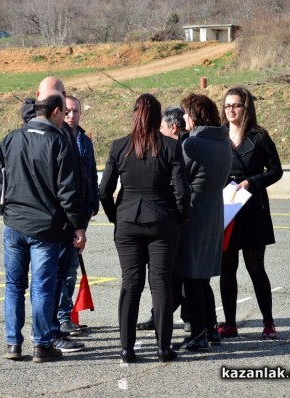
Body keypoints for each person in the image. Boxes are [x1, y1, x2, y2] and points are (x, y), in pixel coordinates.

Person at [0, 90, 88, 363]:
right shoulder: (59, 142)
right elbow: (68, 192)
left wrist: (4, 209)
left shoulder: (12, 138)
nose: (67, 118)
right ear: (56, 112)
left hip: (14, 224)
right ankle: (42, 343)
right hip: (45, 229)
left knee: (14, 285)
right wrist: (78, 226)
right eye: (64, 113)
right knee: (42, 287)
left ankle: (13, 343)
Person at [99, 93, 190, 363]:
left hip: (127, 221)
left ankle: (126, 349)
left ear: (134, 114)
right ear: (158, 117)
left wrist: (116, 217)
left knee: (131, 284)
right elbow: (182, 193)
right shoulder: (171, 147)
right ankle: (163, 348)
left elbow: (104, 191)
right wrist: (179, 218)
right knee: (161, 284)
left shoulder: (119, 147)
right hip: (162, 220)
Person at [22, 77, 92, 353]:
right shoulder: (36, 129)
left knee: (59, 277)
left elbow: (82, 179)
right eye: (64, 106)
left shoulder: (77, 137)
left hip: (64, 219)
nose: (68, 113)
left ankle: (50, 330)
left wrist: (86, 213)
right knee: (42, 281)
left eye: (73, 108)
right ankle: (45, 335)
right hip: (47, 221)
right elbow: (62, 184)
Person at [218, 86, 283, 340]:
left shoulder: (259, 136)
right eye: (227, 106)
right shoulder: (219, 136)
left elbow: (276, 170)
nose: (231, 110)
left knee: (256, 268)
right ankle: (230, 323)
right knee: (227, 268)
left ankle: (268, 323)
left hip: (253, 208)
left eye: (236, 105)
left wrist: (252, 182)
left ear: (246, 107)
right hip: (227, 208)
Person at [173, 93, 232, 351]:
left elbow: (177, 175)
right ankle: (211, 328)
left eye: (186, 113)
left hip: (194, 211)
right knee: (203, 276)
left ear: (194, 115)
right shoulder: (223, 141)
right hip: (214, 210)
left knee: (191, 276)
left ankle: (198, 334)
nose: (183, 118)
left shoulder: (193, 144)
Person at [137, 105, 190, 333]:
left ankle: (187, 316)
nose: (158, 131)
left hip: (178, 217)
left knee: (178, 271)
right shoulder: (172, 146)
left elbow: (182, 188)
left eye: (161, 127)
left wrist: (179, 214)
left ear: (173, 127)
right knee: (168, 273)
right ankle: (160, 315)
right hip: (172, 217)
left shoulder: (182, 147)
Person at [57, 95, 99, 335]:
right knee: (62, 268)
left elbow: (92, 175)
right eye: (68, 111)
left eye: (76, 111)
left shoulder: (84, 140)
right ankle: (61, 316)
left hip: (81, 214)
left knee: (71, 267)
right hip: (62, 216)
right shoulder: (57, 138)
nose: (72, 116)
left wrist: (93, 205)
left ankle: (65, 314)